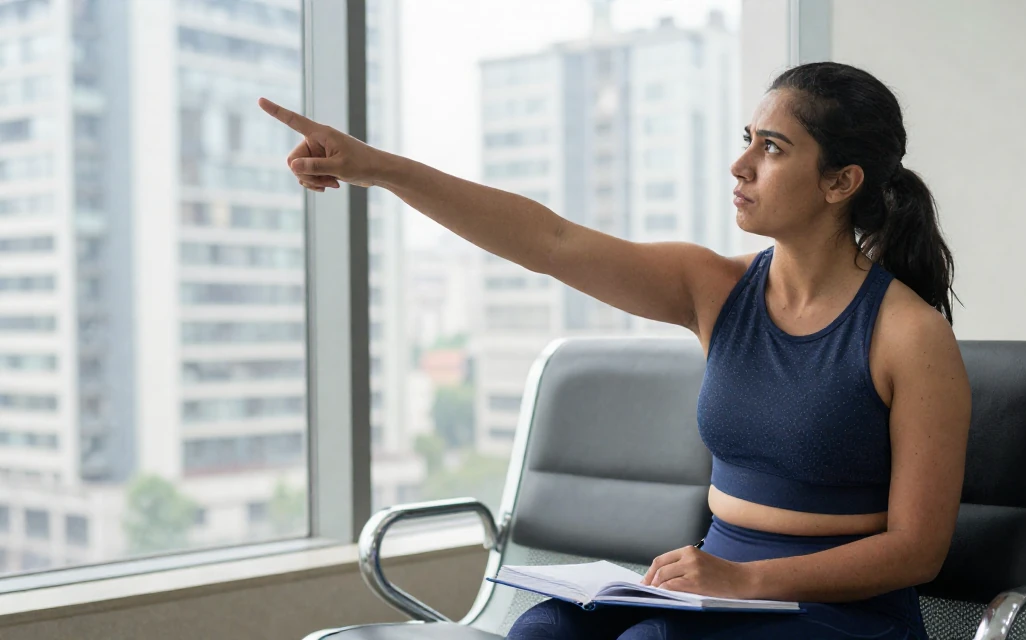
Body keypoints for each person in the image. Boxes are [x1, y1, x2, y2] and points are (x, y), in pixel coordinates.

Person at [259, 61, 971, 640]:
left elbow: (918, 550)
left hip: (843, 615)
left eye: (772, 148)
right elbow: (551, 242)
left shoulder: (910, 335)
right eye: (748, 138)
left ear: (841, 182)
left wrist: (746, 579)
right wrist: (377, 169)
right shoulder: (716, 289)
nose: (740, 164)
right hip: (712, 591)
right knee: (542, 630)